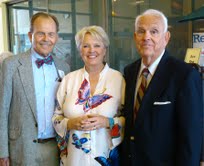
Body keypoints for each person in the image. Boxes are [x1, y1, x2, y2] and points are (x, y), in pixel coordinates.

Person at [121, 9, 203, 166]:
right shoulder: (129, 72)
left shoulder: (184, 75)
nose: (146, 37)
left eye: (154, 31)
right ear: (134, 37)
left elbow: (192, 134)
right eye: (141, 31)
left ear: (166, 38)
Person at [0, 12, 70, 166]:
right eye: (41, 33)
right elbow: (2, 111)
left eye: (51, 34)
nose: (46, 39)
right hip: (21, 149)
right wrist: (2, 152)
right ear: (30, 35)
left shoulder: (64, 68)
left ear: (56, 37)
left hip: (55, 149)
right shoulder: (11, 65)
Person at [52, 25, 125, 166]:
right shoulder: (69, 80)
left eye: (97, 45)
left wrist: (108, 122)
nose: (92, 50)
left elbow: (131, 120)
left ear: (105, 50)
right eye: (86, 46)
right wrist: (69, 123)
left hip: (106, 158)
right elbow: (56, 117)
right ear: (80, 50)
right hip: (73, 159)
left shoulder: (119, 80)